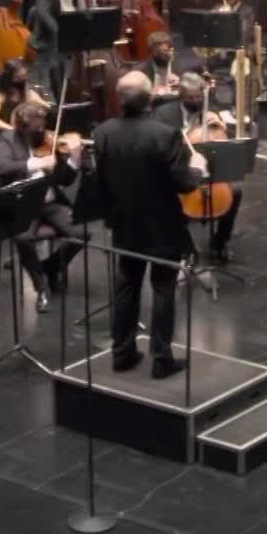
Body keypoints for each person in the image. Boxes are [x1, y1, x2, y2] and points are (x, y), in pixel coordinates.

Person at [88, 70, 206, 376]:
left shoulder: (102, 133)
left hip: (124, 224)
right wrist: (197, 169)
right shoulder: (165, 135)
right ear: (151, 97)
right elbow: (183, 185)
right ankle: (161, 358)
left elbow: (102, 182)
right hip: (162, 226)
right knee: (163, 288)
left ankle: (122, 352)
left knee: (126, 286)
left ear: (119, 99)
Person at [0, 102, 85, 313]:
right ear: (22, 127)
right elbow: (1, 168)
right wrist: (36, 164)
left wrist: (73, 162)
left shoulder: (51, 142)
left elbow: (65, 181)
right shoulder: (9, 138)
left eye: (43, 126)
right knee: (23, 238)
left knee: (82, 233)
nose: (42, 131)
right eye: (36, 128)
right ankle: (40, 286)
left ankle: (50, 268)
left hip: (50, 202)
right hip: (24, 203)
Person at [154, 73, 241, 263]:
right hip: (181, 168)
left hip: (209, 168)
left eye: (199, 97)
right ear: (181, 95)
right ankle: (185, 246)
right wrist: (185, 137)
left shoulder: (211, 107)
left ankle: (220, 241)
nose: (196, 101)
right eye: (190, 98)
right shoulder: (163, 114)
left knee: (236, 191)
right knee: (170, 196)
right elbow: (159, 145)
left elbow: (229, 138)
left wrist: (222, 127)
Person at [0, 58, 47, 137]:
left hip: (19, 134)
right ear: (11, 78)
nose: (24, 80)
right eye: (19, 77)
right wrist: (13, 129)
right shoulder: (0, 95)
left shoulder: (28, 92)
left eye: (25, 76)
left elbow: (45, 106)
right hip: (2, 134)